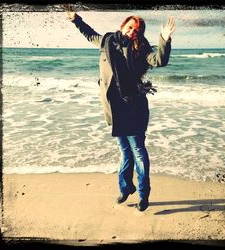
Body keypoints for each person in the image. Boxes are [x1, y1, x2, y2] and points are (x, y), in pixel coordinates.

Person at [66, 11, 175, 211]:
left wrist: (165, 39)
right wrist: (76, 19)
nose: (133, 31)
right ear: (123, 25)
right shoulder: (107, 41)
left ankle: (143, 194)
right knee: (125, 151)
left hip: (133, 106)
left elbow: (159, 60)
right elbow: (89, 34)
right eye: (130, 27)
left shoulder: (141, 49)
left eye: (137, 29)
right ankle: (126, 187)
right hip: (113, 107)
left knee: (138, 152)